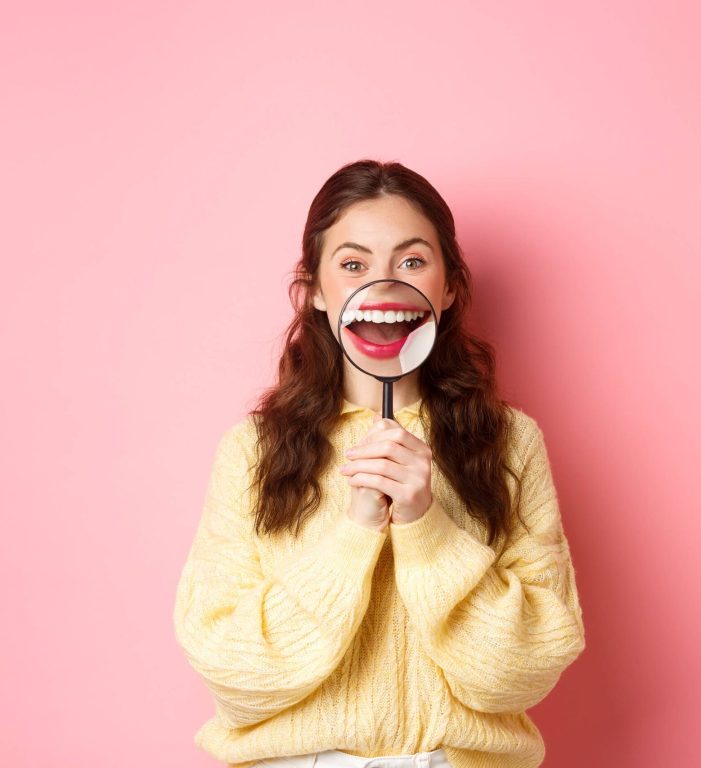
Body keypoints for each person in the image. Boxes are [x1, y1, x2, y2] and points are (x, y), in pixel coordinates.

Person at [173, 159, 586, 768]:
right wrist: (355, 530)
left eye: (413, 261)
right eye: (353, 264)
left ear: (448, 288)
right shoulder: (252, 451)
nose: (385, 284)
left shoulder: (510, 443)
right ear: (314, 288)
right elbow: (232, 673)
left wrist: (429, 527)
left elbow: (523, 673)